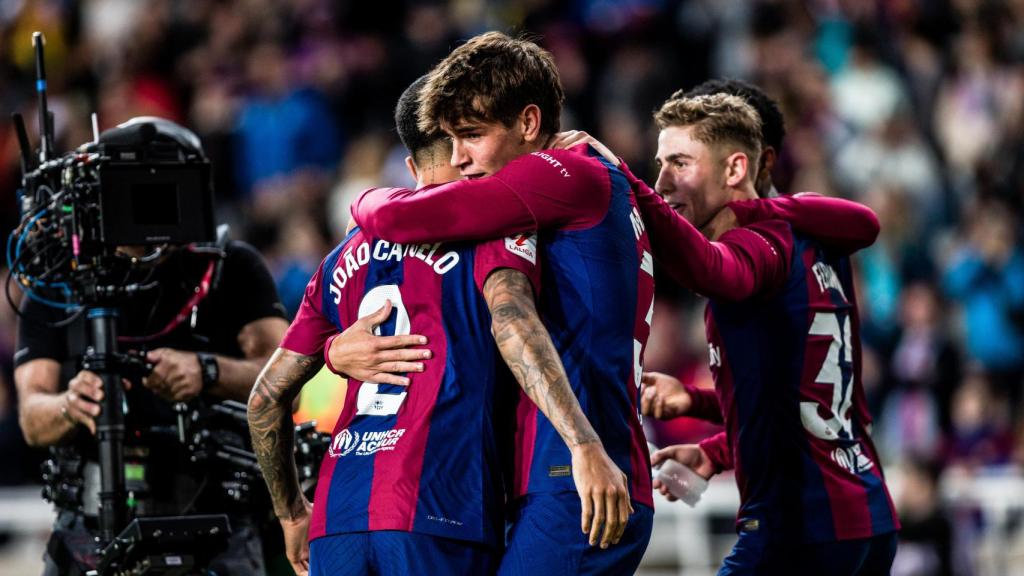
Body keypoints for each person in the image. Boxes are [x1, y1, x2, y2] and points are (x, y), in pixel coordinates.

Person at [248, 75, 628, 576]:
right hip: (440, 511)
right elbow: (512, 324)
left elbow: (264, 399)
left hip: (336, 517)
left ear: (409, 166)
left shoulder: (340, 257)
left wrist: (292, 513)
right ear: (461, 145)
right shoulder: (493, 231)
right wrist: (584, 444)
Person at [350, 32, 656, 575]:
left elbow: (508, 316)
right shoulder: (588, 183)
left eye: (471, 135)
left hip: (578, 473)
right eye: (452, 141)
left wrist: (367, 195)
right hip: (566, 469)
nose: (463, 161)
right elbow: (710, 264)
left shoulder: (536, 192)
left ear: (529, 123)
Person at [623, 93, 899, 574]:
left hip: (797, 526)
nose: (662, 182)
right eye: (658, 165)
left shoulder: (760, 243)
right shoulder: (814, 237)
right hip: (865, 516)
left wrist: (622, 184)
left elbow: (716, 273)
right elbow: (795, 396)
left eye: (680, 163)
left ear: (735, 169)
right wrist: (705, 425)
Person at [14, 118, 290, 575]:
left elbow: (287, 380)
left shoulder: (231, 267)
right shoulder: (59, 278)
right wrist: (71, 404)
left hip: (216, 519)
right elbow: (31, 415)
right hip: (89, 519)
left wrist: (208, 372)